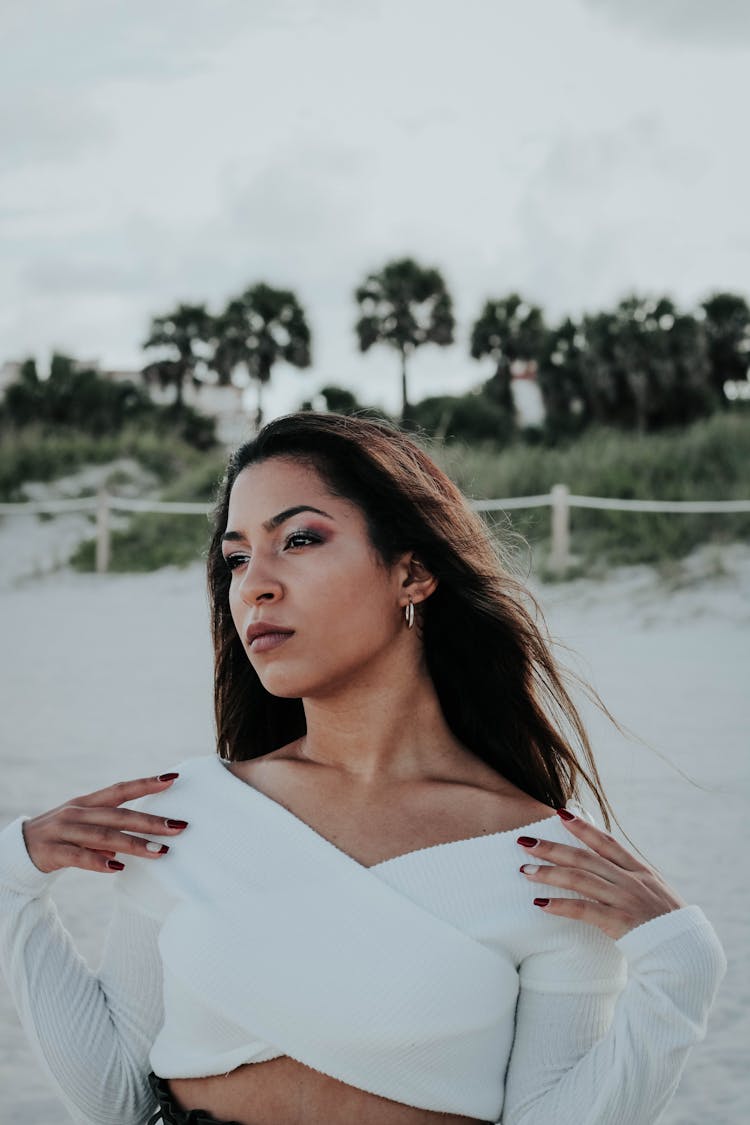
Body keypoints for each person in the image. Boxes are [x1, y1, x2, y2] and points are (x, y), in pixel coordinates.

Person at [0, 411, 727, 1125]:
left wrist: (681, 969)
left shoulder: (543, 858)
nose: (255, 584)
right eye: (237, 556)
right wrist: (12, 877)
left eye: (300, 538)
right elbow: (115, 1098)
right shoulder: (190, 812)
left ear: (411, 571)